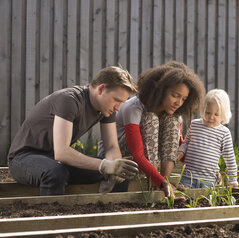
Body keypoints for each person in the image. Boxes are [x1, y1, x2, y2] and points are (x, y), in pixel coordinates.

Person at [7, 66, 140, 196]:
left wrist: (114, 170)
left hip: (54, 160)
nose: (118, 108)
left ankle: (108, 215)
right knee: (55, 173)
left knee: (123, 172)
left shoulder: (106, 109)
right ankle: (52, 217)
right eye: (117, 100)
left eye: (122, 103)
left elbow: (111, 147)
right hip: (23, 158)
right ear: (101, 89)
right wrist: (105, 165)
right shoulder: (69, 100)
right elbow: (62, 152)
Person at [100, 61, 205, 197]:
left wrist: (209, 169)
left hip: (148, 167)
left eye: (183, 99)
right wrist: (160, 182)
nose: (178, 103)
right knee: (150, 118)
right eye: (175, 95)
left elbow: (179, 148)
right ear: (160, 90)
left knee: (172, 120)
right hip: (121, 160)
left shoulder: (173, 115)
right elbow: (137, 154)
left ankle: (164, 181)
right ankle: (158, 184)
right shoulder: (134, 108)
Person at [177, 89, 238, 188]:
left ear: (223, 115)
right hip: (188, 177)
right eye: (208, 112)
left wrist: (233, 180)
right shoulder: (194, 125)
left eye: (216, 114)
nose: (211, 117)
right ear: (203, 109)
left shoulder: (224, 133)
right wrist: (181, 151)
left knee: (205, 202)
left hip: (209, 180)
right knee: (184, 198)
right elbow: (186, 143)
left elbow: (230, 159)